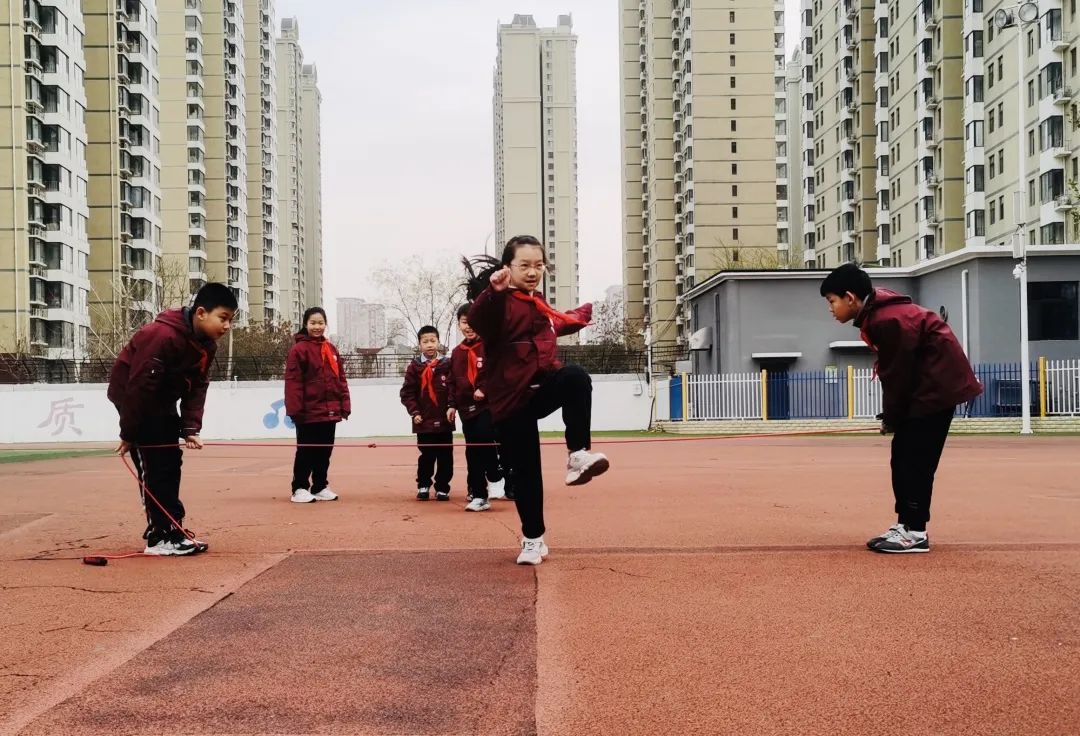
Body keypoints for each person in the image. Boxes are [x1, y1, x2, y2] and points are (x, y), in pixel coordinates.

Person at [465, 236, 610, 565]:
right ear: (508, 267)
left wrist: (584, 314)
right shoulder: (499, 303)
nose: (533, 271)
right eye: (524, 265)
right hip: (509, 401)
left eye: (538, 265)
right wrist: (493, 291)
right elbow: (479, 321)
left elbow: (554, 325)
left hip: (538, 389)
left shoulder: (538, 304)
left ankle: (577, 455)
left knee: (575, 377)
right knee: (527, 471)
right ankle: (533, 540)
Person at [820, 263, 983, 553]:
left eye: (832, 301)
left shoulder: (886, 320)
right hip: (929, 389)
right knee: (903, 456)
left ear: (850, 298)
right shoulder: (880, 312)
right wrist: (894, 416)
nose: (830, 309)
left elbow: (897, 375)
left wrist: (893, 418)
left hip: (936, 391)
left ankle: (915, 532)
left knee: (914, 461)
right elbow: (898, 373)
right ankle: (907, 525)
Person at [108, 282, 236, 556]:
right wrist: (129, 433)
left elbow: (198, 386)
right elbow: (140, 386)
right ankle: (159, 536)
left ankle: (173, 528)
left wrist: (190, 427)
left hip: (161, 403)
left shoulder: (206, 345)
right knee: (155, 467)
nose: (227, 326)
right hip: (134, 400)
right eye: (223, 318)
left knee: (170, 463)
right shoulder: (161, 336)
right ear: (201, 313)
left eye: (230, 320)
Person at [284, 306, 351, 503]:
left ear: (325, 324)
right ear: (305, 324)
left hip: (330, 411)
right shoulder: (299, 350)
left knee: (325, 450)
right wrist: (295, 410)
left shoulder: (331, 349)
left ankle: (320, 485)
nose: (317, 326)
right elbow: (293, 382)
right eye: (313, 323)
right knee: (306, 450)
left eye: (320, 323)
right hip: (307, 412)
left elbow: (341, 379)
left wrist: (344, 405)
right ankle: (300, 487)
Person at [449, 303, 507, 512]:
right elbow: (452, 382)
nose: (469, 326)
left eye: (474, 321)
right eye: (465, 322)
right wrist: (451, 405)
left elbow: (498, 372)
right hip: (466, 409)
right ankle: (479, 494)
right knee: (472, 451)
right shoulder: (456, 353)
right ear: (459, 325)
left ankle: (494, 474)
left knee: (484, 437)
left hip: (487, 405)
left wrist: (484, 388)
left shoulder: (490, 346)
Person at [400, 326, 455, 501]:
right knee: (427, 455)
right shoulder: (414, 367)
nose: (430, 345)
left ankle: (442, 487)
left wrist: (451, 406)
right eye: (425, 342)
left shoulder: (447, 364)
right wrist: (414, 412)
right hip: (423, 420)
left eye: (433, 341)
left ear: (438, 342)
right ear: (419, 344)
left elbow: (454, 388)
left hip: (445, 420)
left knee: (445, 456)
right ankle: (423, 484)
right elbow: (407, 393)